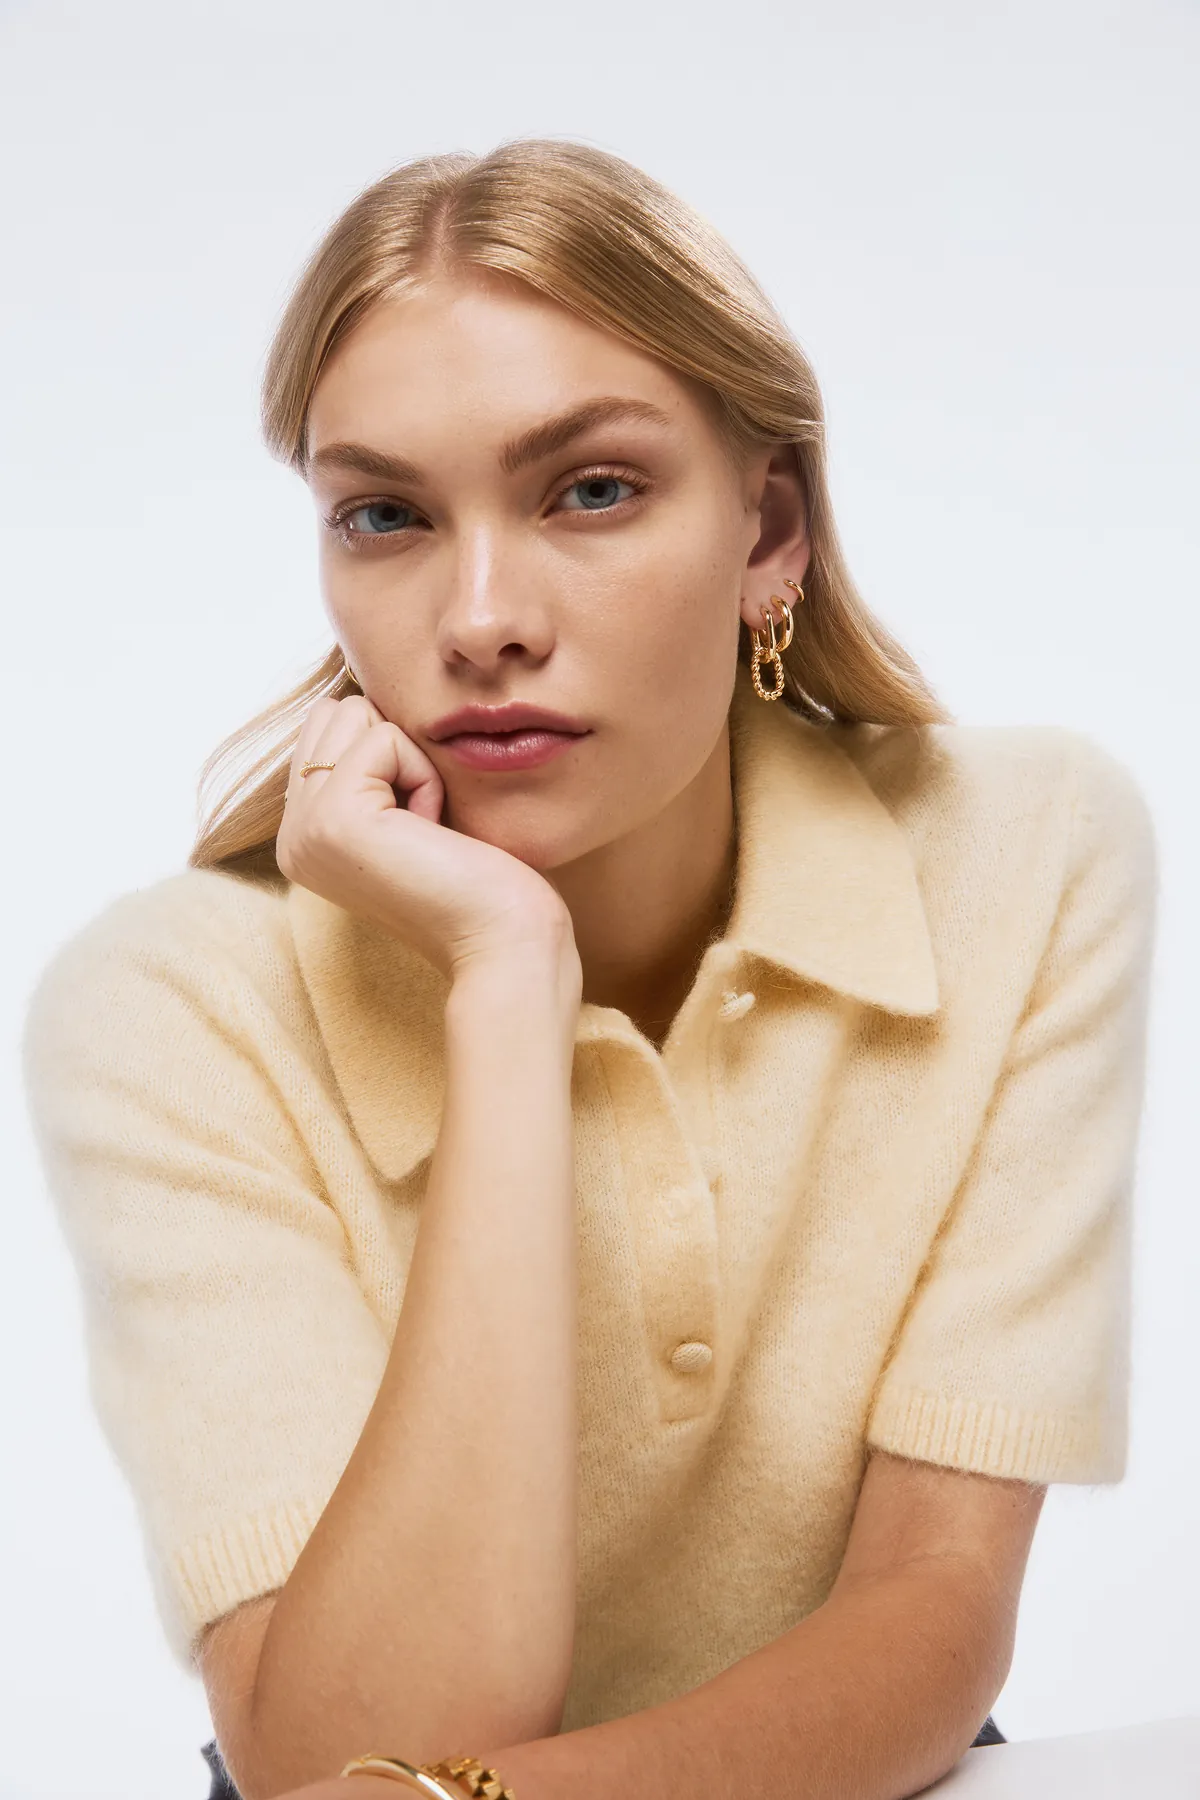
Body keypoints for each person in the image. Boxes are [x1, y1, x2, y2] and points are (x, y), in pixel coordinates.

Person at [21, 138, 1157, 1800]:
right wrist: (501, 983)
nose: (480, 617)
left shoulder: (1029, 851)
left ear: (771, 528)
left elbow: (936, 1597)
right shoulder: (168, 1009)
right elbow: (341, 1750)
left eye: (591, 488)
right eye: (387, 515)